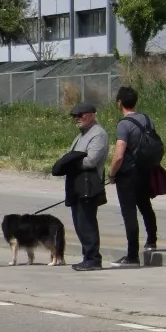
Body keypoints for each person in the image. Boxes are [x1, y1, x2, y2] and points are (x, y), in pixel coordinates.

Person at [109, 85, 159, 267]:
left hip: (128, 174)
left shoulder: (124, 125)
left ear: (119, 102)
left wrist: (112, 173)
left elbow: (119, 154)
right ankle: (152, 241)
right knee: (145, 206)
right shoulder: (147, 119)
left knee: (129, 213)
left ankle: (132, 256)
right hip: (145, 171)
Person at [63, 102, 109, 271]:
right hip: (76, 183)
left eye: (81, 115)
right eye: (75, 116)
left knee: (87, 222)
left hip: (88, 184)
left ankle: (93, 258)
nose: (77, 118)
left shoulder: (98, 134)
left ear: (91, 115)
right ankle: (86, 257)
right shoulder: (81, 135)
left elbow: (91, 160)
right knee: (79, 222)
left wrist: (69, 162)